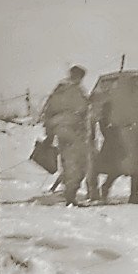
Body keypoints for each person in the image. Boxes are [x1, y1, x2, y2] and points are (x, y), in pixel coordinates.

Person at [41, 65, 91, 206]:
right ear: (80, 77)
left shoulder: (58, 91)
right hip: (74, 131)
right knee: (79, 163)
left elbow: (48, 112)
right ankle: (70, 196)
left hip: (59, 130)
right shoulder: (76, 92)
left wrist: (49, 135)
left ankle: (69, 193)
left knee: (67, 162)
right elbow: (83, 110)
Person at [95, 75, 138, 204]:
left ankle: (133, 194)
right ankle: (110, 188)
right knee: (125, 167)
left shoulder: (123, 99)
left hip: (130, 136)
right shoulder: (120, 100)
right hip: (124, 137)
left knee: (130, 168)